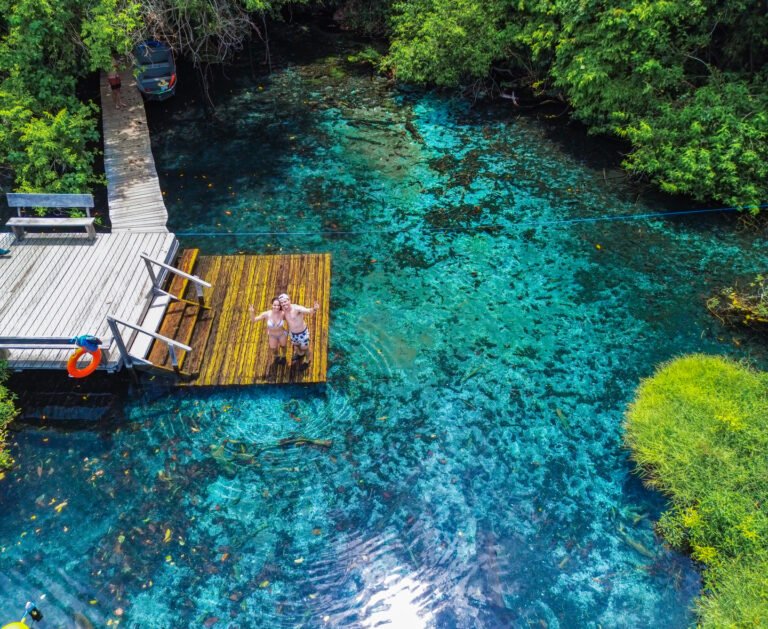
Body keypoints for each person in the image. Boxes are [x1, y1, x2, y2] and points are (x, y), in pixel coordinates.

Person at [278, 293, 320, 365]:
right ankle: (300, 354)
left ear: (289, 300)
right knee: (296, 345)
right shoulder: (283, 311)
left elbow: (307, 310)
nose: (284, 304)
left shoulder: (297, 308)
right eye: (282, 303)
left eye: (285, 301)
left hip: (303, 333)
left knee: (305, 348)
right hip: (293, 334)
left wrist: (314, 309)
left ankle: (307, 361)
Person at [248, 298, 288, 364]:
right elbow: (254, 320)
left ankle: (284, 356)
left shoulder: (282, 313)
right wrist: (251, 312)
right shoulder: (266, 314)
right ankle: (277, 356)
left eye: (278, 305)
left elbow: (290, 319)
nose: (276, 307)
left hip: (282, 334)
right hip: (272, 335)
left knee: (283, 346)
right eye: (275, 305)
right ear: (271, 305)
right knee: (273, 349)